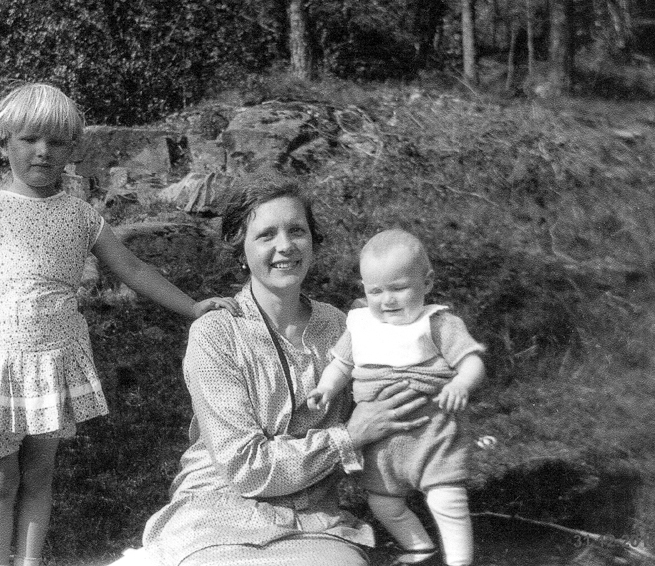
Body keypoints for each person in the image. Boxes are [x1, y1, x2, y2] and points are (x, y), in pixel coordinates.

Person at [0, 82, 237, 566]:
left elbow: (134, 269)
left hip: (50, 365)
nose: (43, 151)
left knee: (38, 476)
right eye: (29, 139)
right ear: (3, 143)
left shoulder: (82, 217)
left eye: (56, 141)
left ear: (72, 149)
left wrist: (192, 308)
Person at [113, 176, 433, 566]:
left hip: (312, 518)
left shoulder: (342, 327)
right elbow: (244, 467)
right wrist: (348, 437)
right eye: (267, 235)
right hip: (221, 512)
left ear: (312, 241)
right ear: (241, 250)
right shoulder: (216, 333)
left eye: (296, 231)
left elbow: (391, 406)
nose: (285, 246)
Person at [307, 229, 487, 566]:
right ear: (364, 289)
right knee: (383, 503)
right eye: (375, 291)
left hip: (432, 432)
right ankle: (418, 546)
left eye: (399, 288)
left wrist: (461, 383)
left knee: (446, 500)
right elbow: (341, 365)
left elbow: (472, 360)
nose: (387, 300)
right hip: (383, 444)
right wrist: (326, 388)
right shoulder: (360, 326)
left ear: (427, 283)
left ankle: (460, 560)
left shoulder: (437, 323)